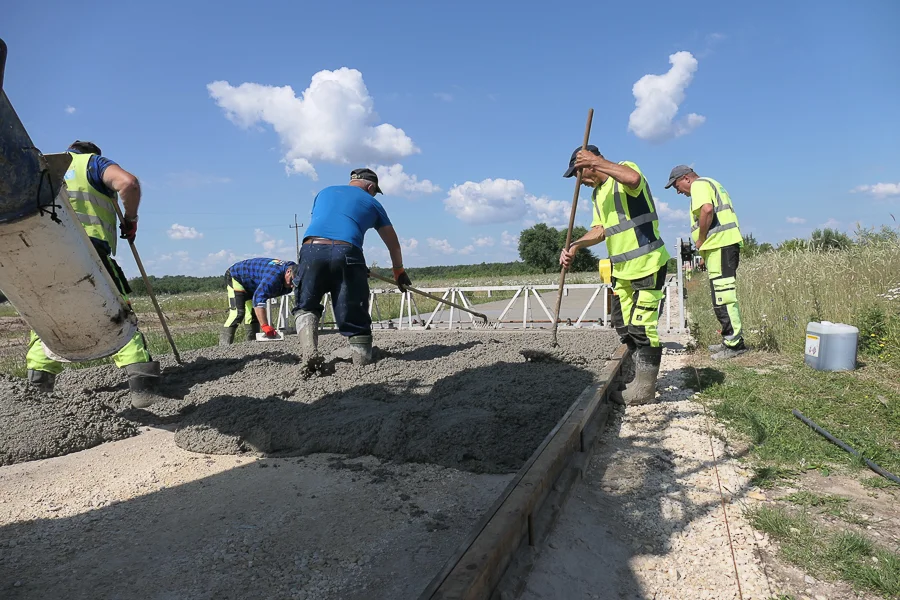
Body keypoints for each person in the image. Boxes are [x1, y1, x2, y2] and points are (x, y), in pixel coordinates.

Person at [25, 140, 161, 407]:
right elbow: (128, 183)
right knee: (114, 311)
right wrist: (131, 220)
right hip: (88, 251)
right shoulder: (92, 163)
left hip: (41, 255)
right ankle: (142, 386)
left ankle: (37, 393)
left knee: (47, 319)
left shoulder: (41, 166)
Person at [559, 146, 670, 405]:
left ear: (590, 164)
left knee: (643, 327)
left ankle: (644, 390)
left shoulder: (623, 171)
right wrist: (575, 245)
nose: (580, 181)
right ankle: (635, 375)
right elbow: (600, 230)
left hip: (647, 263)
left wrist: (598, 161)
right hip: (621, 270)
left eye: (579, 173)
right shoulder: (597, 195)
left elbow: (633, 179)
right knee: (623, 325)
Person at [294, 168, 410, 365]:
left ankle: (309, 353)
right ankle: (361, 362)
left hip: (311, 249)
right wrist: (398, 271)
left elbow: (327, 222)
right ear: (370, 186)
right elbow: (393, 244)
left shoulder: (324, 193)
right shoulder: (373, 203)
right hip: (348, 251)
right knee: (355, 310)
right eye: (374, 191)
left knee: (306, 306)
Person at [665, 165, 746, 359]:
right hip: (722, 246)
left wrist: (701, 239)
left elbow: (707, 210)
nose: (678, 192)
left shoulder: (699, 185)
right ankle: (729, 339)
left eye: (677, 186)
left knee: (723, 296)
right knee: (721, 295)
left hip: (721, 246)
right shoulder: (712, 183)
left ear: (686, 178)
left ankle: (735, 345)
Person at [220, 258, 297, 344]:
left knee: (253, 316)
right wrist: (265, 326)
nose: (291, 286)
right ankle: (224, 346)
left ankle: (252, 346)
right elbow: (258, 299)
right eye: (291, 281)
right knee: (238, 313)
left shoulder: (295, 269)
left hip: (252, 283)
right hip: (236, 276)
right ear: (288, 272)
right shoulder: (273, 277)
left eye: (295, 284)